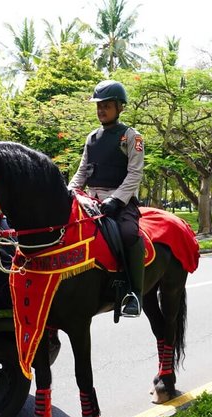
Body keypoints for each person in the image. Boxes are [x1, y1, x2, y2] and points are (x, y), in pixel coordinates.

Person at [68, 80, 144, 317]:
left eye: (107, 105)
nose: (101, 110)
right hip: (90, 200)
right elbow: (82, 172)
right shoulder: (91, 138)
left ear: (120, 107)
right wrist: (68, 191)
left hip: (119, 201)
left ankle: (134, 294)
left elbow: (135, 173)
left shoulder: (132, 136)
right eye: (99, 106)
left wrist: (117, 200)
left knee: (129, 234)